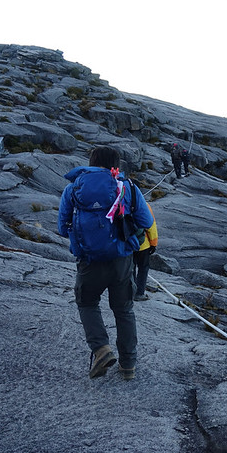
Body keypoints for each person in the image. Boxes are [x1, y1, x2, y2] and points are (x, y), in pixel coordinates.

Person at [57, 146, 154, 380]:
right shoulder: (128, 187)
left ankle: (101, 349)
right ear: (116, 165)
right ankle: (128, 365)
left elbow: (62, 228)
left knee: (87, 303)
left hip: (89, 261)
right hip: (121, 261)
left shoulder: (73, 189)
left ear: (91, 162)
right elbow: (147, 220)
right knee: (123, 310)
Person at [133, 204, 158, 301]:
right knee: (143, 268)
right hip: (143, 245)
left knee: (130, 269)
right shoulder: (144, 205)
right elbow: (151, 225)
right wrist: (153, 243)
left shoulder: (121, 202)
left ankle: (129, 292)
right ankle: (139, 293)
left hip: (127, 245)